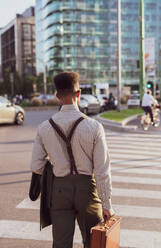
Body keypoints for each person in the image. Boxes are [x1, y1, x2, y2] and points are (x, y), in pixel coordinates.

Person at [30, 71, 115, 248]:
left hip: (59, 190)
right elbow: (102, 170)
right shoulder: (94, 127)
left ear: (57, 96)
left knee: (61, 243)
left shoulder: (44, 128)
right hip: (88, 191)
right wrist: (106, 204)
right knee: (94, 242)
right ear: (78, 93)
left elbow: (36, 166)